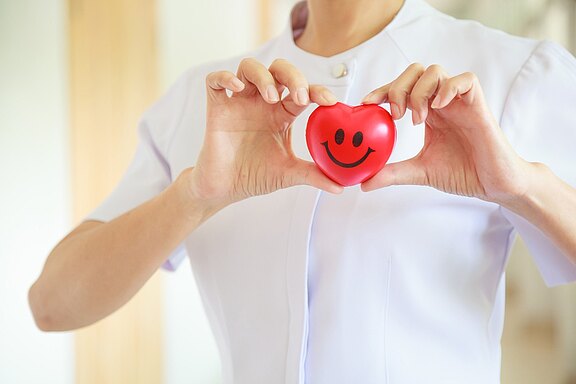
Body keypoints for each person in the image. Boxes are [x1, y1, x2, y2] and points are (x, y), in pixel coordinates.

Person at [29, 0, 576, 382]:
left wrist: (522, 187)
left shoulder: (510, 76)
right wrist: (193, 195)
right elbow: (52, 304)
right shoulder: (204, 101)